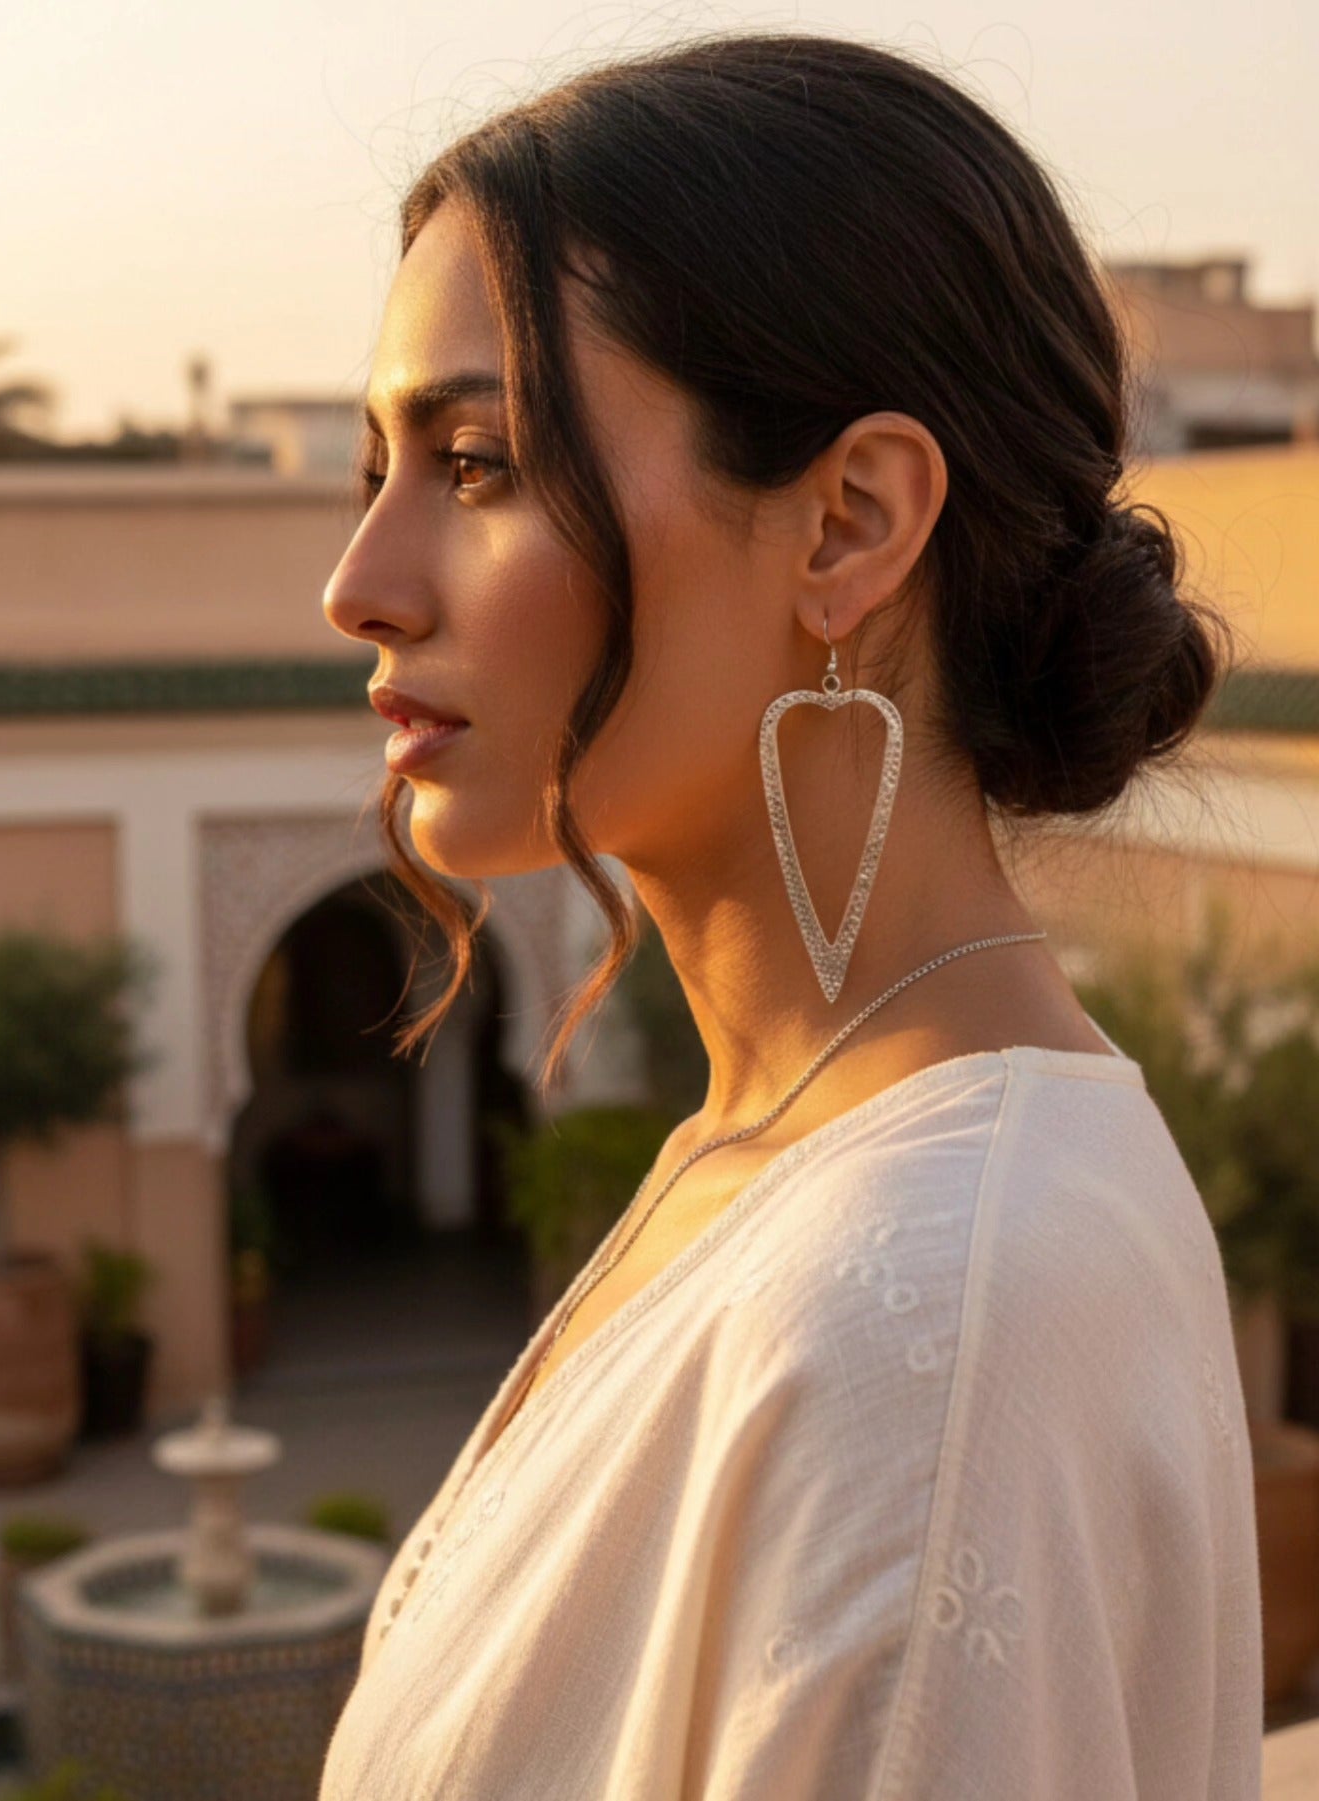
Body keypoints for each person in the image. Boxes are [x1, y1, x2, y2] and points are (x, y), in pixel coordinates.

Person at [317, 30, 1261, 1799]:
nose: (357, 583)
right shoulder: (826, 1164)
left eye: (476, 463)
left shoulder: (923, 1318)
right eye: (371, 466)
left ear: (849, 522)